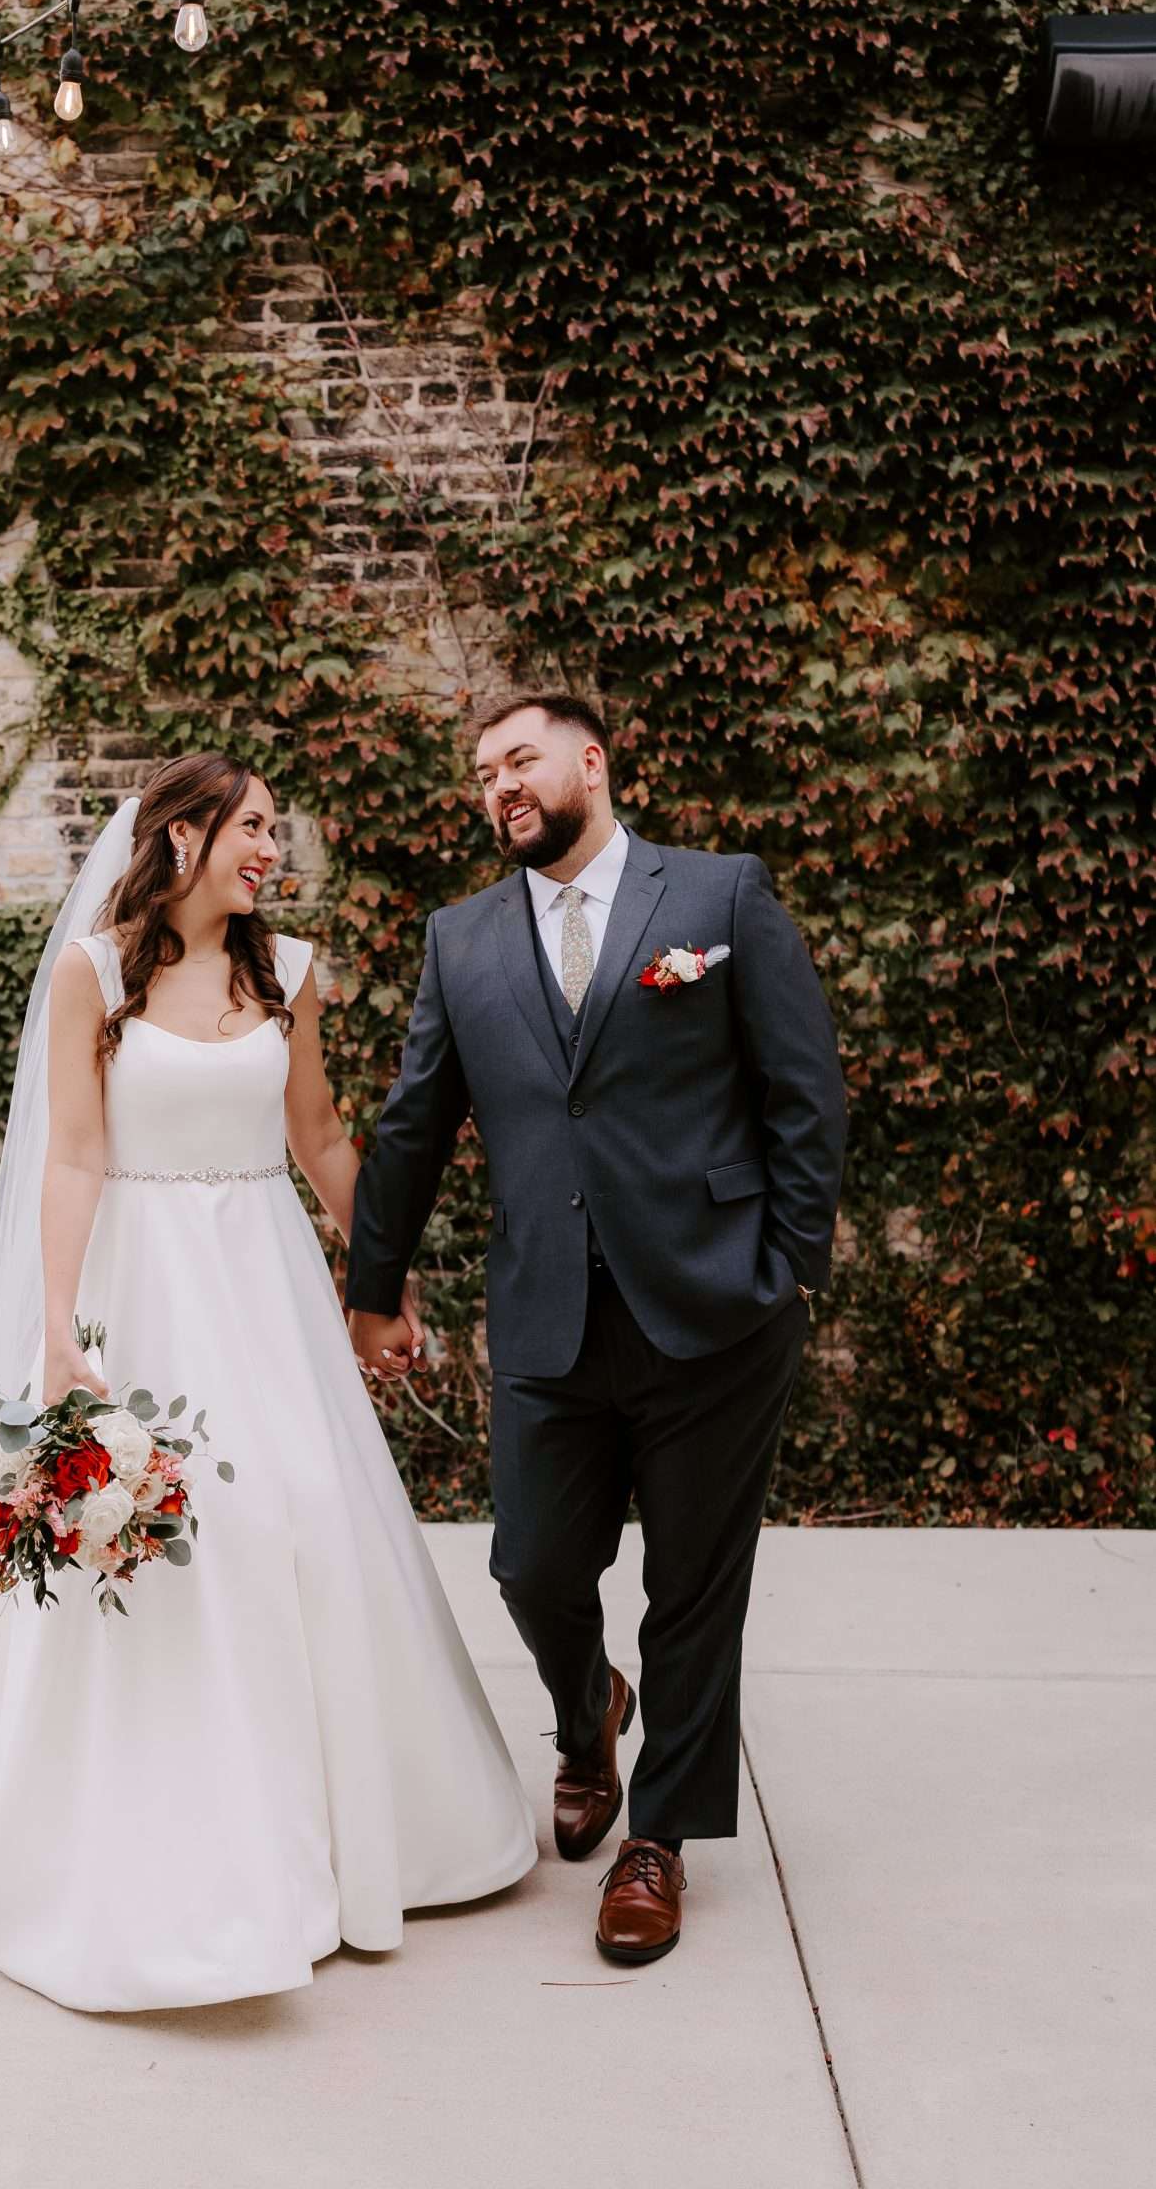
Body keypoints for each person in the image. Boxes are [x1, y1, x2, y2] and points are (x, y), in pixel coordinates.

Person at [0, 755, 536, 2011]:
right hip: (144, 1285)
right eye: (254, 826)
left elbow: (318, 1133)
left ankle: (345, 1832)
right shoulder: (91, 973)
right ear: (186, 834)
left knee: (307, 1524)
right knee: (184, 1550)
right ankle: (176, 1843)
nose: (273, 846)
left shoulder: (290, 971)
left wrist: (378, 1280)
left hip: (264, 1288)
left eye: (275, 828)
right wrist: (58, 1332)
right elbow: (73, 1156)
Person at [346, 693, 846, 1966]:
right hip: (547, 1316)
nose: (497, 784)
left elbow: (804, 1086)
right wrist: (373, 1282)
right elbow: (413, 1123)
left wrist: (787, 1267)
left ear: (591, 761)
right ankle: (590, 1713)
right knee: (534, 1567)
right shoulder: (460, 940)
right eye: (480, 771)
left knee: (693, 1587)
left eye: (520, 760)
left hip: (715, 1311)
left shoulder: (718, 897)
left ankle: (659, 1839)